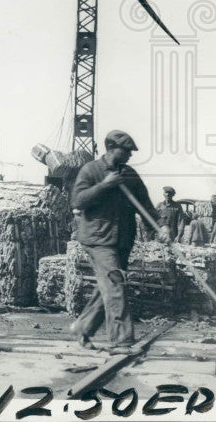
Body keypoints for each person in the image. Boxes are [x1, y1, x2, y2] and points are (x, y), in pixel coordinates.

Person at [69, 130, 169, 354]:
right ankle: (121, 341)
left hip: (122, 241)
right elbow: (78, 201)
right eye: (127, 151)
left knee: (108, 286)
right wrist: (105, 184)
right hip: (98, 239)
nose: (130, 155)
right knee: (115, 285)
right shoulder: (91, 170)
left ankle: (82, 327)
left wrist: (161, 225)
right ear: (112, 149)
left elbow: (145, 205)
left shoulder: (130, 175)